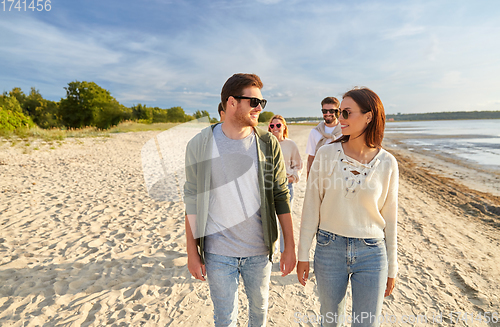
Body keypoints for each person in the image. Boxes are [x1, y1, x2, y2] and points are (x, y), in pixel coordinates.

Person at [184, 73, 296, 327]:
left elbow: (280, 194)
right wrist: (192, 252)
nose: (260, 108)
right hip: (217, 252)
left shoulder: (268, 143)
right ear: (232, 103)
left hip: (259, 251)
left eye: (262, 102)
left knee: (259, 312)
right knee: (224, 318)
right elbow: (192, 200)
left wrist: (289, 245)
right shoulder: (200, 144)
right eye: (254, 102)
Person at [297, 88, 399, 327]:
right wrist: (303, 254)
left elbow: (391, 219)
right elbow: (311, 207)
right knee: (330, 322)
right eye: (339, 112)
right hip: (328, 249)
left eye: (346, 113)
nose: (339, 118)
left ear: (368, 116)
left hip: (373, 253)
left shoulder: (388, 163)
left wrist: (392, 268)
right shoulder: (326, 154)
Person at [267, 114, 302, 252]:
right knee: (270, 219)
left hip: (286, 186)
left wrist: (293, 177)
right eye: (272, 125)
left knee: (285, 220)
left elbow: (298, 165)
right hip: (268, 186)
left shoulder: (290, 144)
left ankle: (284, 251)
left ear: (284, 127)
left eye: (278, 125)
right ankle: (273, 249)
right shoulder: (264, 144)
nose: (275, 128)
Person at [305, 97, 342, 178]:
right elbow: (311, 157)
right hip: (320, 174)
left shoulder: (344, 131)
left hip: (340, 175)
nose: (328, 113)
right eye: (324, 111)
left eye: (331, 111)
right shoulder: (315, 132)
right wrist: (309, 179)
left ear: (338, 111)